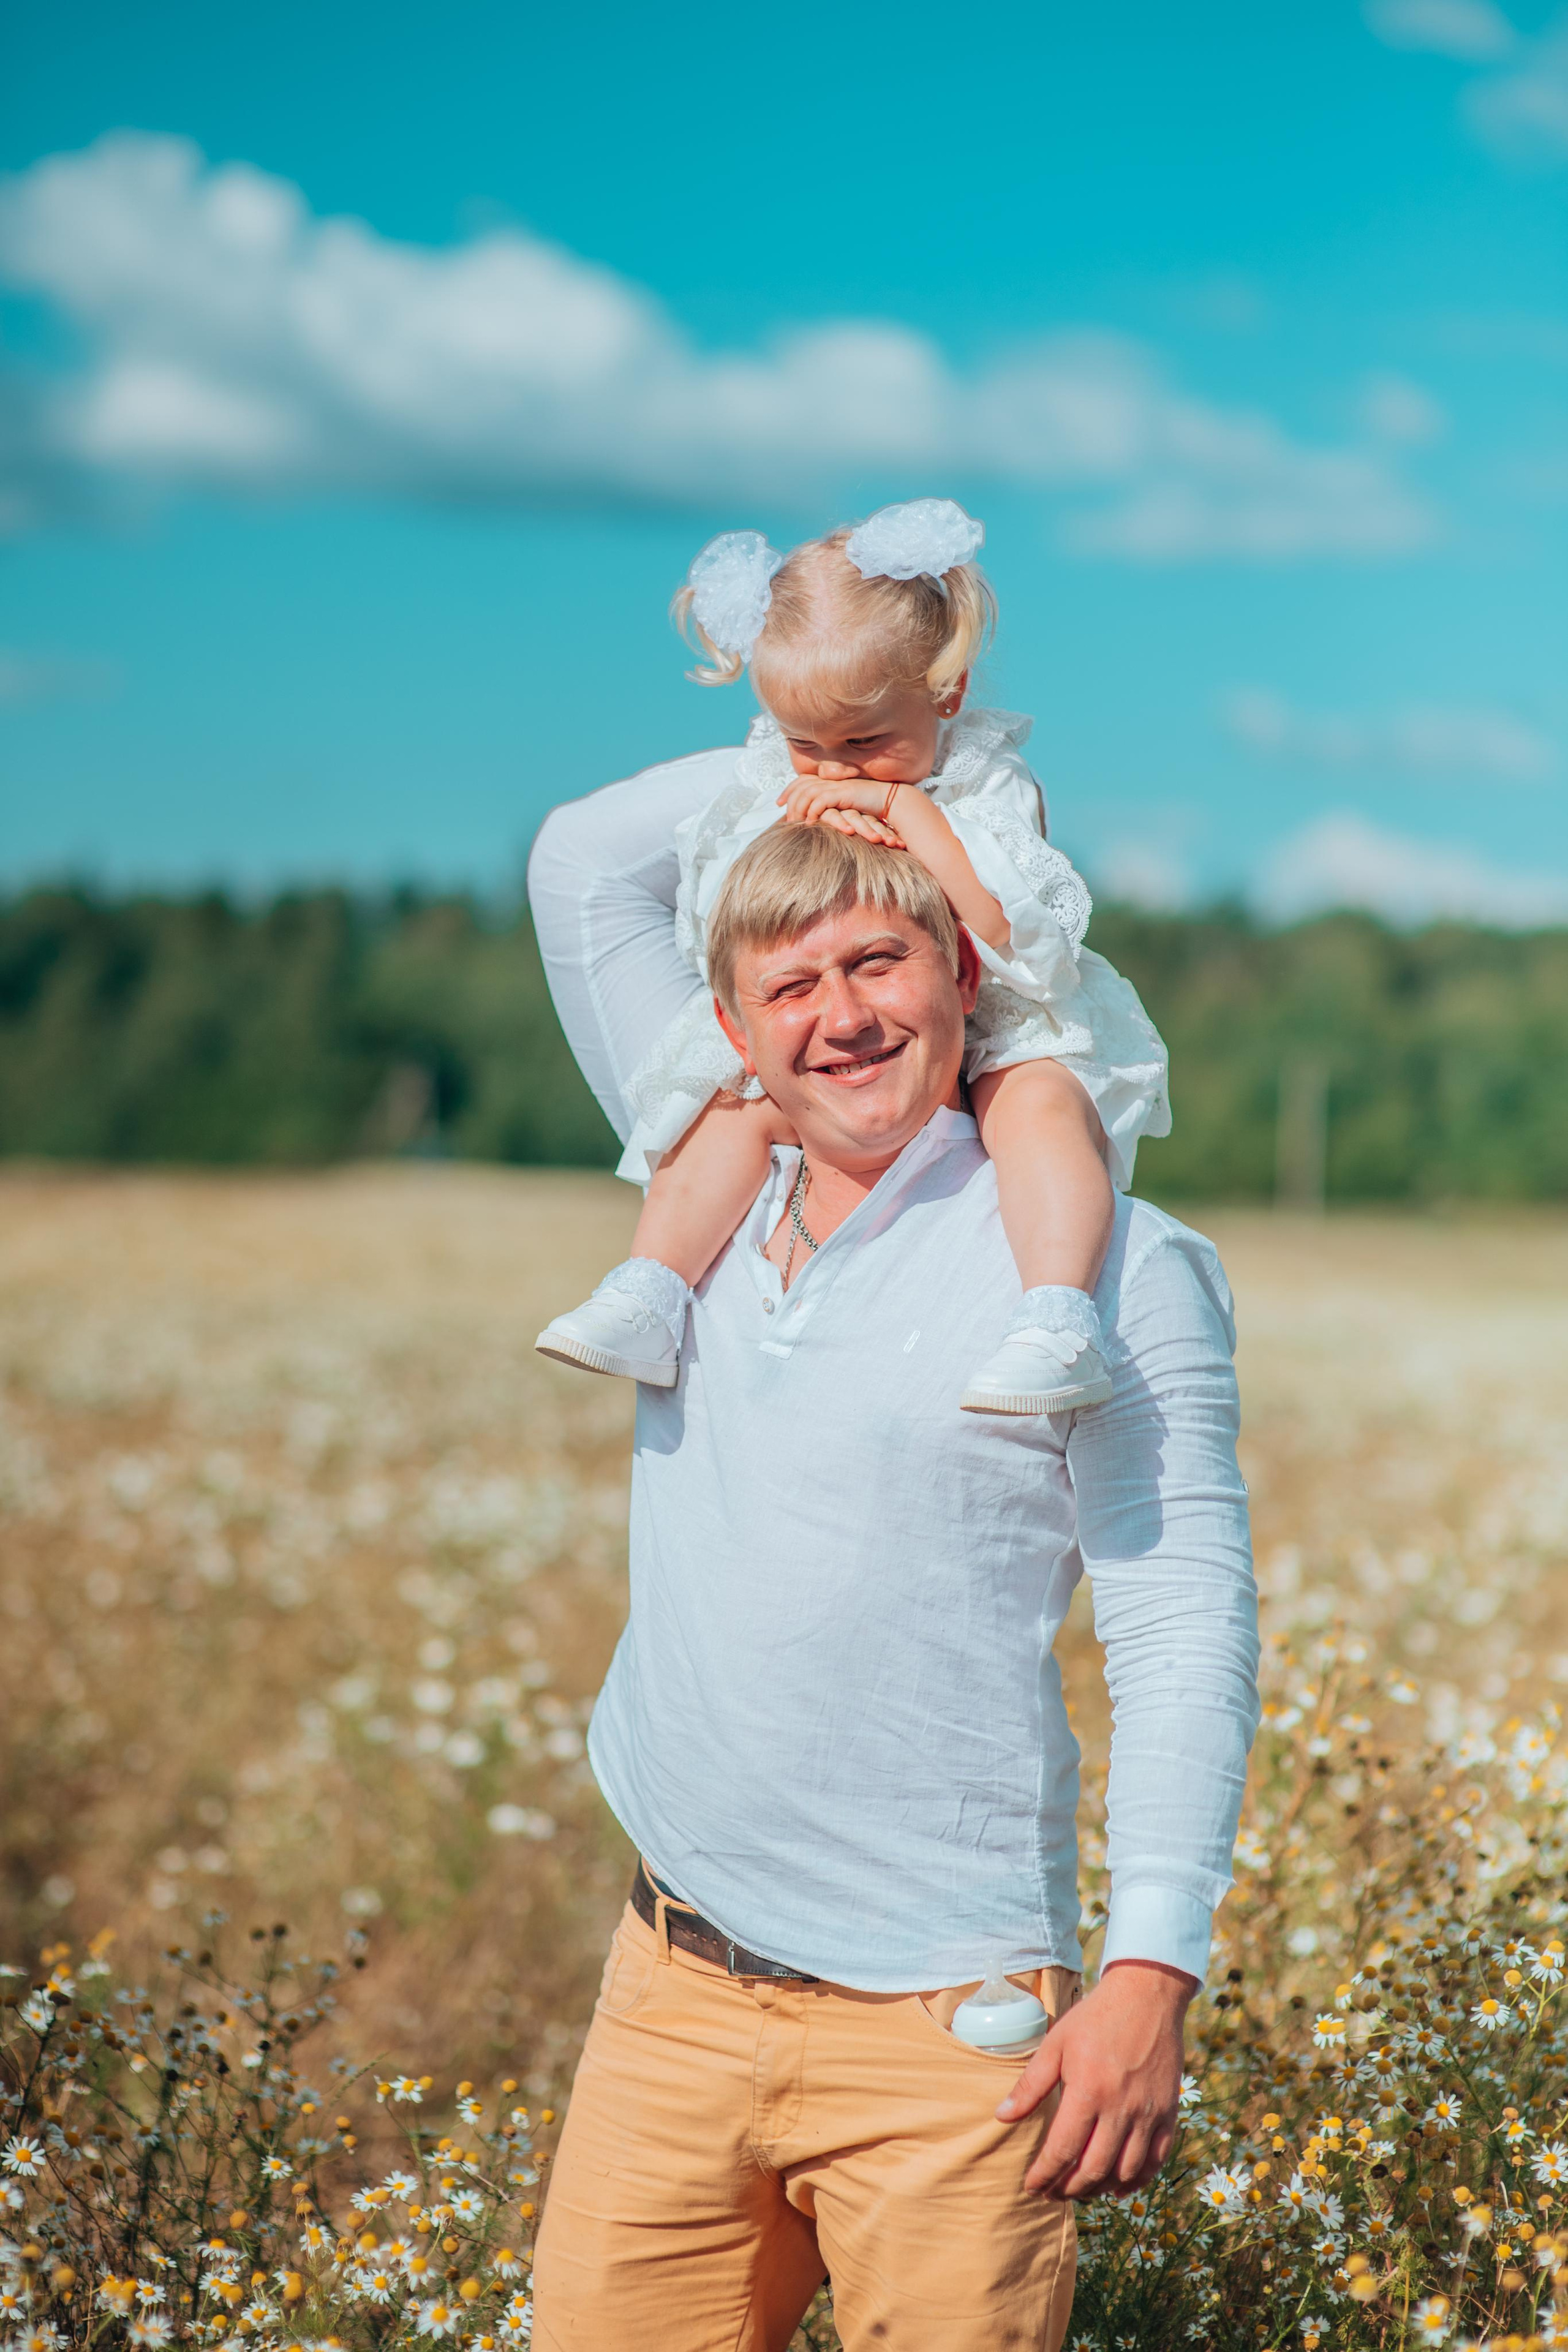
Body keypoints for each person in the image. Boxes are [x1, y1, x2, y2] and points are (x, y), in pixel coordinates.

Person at [525, 810, 1260, 2352]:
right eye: (789, 986)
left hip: (952, 2034)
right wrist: (828, 762)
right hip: (670, 1987)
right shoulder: (700, 1184)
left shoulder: (1108, 1258)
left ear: (965, 976)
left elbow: (1180, 1624)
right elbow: (584, 858)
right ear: (732, 1028)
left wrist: (1149, 1974)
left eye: (878, 961)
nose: (839, 1017)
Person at [535, 498, 1169, 1417]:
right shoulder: (779, 778)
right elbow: (733, 915)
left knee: (1039, 1109)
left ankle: (1056, 1315)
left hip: (1000, 1013)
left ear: (946, 694)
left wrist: (912, 815)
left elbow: (1018, 937)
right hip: (854, 1046)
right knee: (727, 1107)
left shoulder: (985, 777)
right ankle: (653, 1287)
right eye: (808, 744)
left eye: (867, 742)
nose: (837, 771)